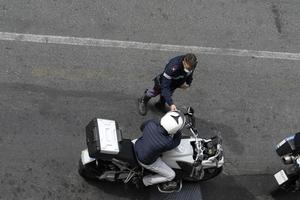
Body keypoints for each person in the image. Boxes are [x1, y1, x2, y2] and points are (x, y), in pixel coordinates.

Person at [134, 111, 186, 192]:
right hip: (145, 160)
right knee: (171, 175)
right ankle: (145, 181)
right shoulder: (167, 142)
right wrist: (178, 131)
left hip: (136, 144)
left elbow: (142, 127)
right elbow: (177, 142)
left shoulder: (151, 123)